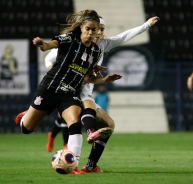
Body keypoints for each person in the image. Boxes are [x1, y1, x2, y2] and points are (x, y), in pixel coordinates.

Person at [45, 15, 160, 172]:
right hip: (72, 89)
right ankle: (87, 140)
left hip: (86, 88)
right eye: (95, 29)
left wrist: (146, 25)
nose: (98, 33)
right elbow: (50, 57)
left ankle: (91, 164)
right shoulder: (76, 42)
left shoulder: (102, 45)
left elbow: (123, 36)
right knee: (81, 114)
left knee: (109, 124)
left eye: (101, 29)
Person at [14, 9, 122, 174]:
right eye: (89, 29)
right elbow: (51, 45)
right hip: (50, 88)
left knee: (75, 124)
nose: (92, 33)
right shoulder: (70, 39)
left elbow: (87, 78)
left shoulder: (95, 51)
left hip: (69, 93)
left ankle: (74, 166)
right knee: (27, 129)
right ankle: (25, 116)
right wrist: (43, 45)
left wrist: (104, 80)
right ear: (81, 28)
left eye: (95, 29)